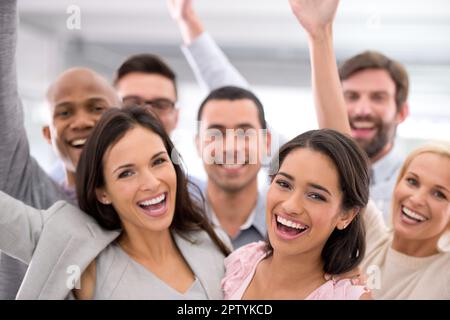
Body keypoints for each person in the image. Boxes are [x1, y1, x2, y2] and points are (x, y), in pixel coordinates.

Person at [175, 0, 411, 222]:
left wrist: (321, 35)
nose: (362, 109)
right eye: (350, 96)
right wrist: (189, 23)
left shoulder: (417, 185)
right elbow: (237, 105)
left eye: (378, 98)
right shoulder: (302, 162)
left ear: (402, 112)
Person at [0, 106, 231, 299]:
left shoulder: (212, 242)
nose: (151, 182)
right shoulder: (83, 257)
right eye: (126, 173)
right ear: (102, 192)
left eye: (158, 161)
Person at [0, 0, 121, 300]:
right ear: (47, 133)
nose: (81, 121)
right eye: (64, 113)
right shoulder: (26, 189)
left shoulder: (145, 205)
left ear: (122, 118)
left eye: (96, 108)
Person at [221, 129, 370, 300]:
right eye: (284, 184)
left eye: (315, 196)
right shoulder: (241, 261)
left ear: (346, 215)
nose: (291, 206)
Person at [361, 143, 450, 299]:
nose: (416, 199)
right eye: (412, 181)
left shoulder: (444, 273)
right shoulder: (370, 235)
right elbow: (345, 158)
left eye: (439, 194)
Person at [194, 86, 271, 248]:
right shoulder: (174, 226)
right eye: (215, 133)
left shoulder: (288, 228)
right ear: (198, 144)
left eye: (245, 133)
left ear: (267, 143)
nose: (230, 148)